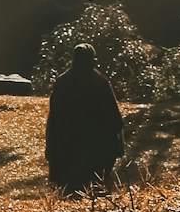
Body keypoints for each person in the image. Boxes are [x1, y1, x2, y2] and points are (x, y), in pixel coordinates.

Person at [46, 43, 126, 194]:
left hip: (71, 146)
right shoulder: (99, 81)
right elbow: (114, 117)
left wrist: (52, 147)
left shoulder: (64, 82)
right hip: (90, 147)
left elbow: (54, 119)